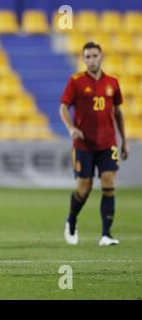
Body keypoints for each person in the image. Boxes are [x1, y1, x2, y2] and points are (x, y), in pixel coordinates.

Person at [60, 42, 129, 246]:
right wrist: (71, 128)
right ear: (84, 59)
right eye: (87, 56)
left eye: (94, 56)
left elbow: (118, 112)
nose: (91, 60)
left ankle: (106, 234)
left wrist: (124, 140)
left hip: (108, 142)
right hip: (84, 144)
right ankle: (71, 220)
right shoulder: (76, 81)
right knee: (84, 188)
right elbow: (63, 108)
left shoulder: (113, 82)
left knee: (108, 183)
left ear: (101, 57)